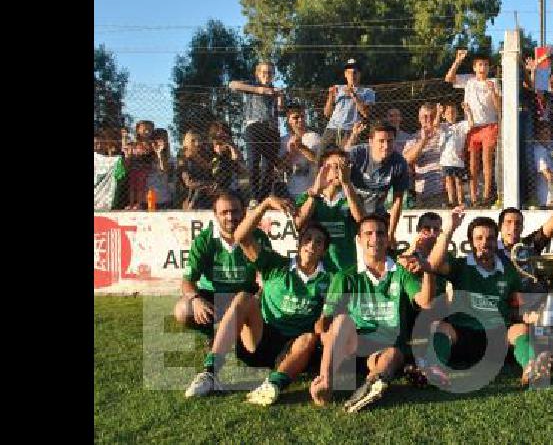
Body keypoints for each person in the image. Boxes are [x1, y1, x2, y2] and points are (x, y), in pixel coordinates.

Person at [184, 196, 331, 407]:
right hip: (259, 340)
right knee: (244, 298)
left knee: (308, 338)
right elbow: (241, 236)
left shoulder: (330, 279)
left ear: (324, 250)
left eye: (318, 242)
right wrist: (265, 205)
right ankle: (210, 372)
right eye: (307, 239)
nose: (311, 245)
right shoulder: (276, 264)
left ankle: (274, 385)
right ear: (298, 243)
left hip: (292, 349)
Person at [309, 214, 437, 412]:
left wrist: (428, 271)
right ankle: (325, 383)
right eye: (368, 233)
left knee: (393, 355)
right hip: (352, 348)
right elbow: (324, 320)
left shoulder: (401, 273)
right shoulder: (346, 276)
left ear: (388, 238)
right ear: (358, 240)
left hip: (383, 351)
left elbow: (426, 302)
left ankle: (371, 385)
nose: (375, 238)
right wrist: (327, 337)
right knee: (341, 320)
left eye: (380, 233)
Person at [424, 211, 553, 386]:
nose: (485, 243)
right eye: (479, 238)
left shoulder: (509, 271)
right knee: (439, 327)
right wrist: (449, 229)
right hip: (464, 334)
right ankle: (433, 369)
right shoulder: (461, 266)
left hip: (497, 337)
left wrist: (528, 316)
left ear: (496, 240)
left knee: (520, 330)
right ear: (470, 242)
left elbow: (513, 307)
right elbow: (432, 265)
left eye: (490, 238)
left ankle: (531, 368)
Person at [174, 191, 273, 340]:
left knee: (272, 303)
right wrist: (196, 300)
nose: (230, 217)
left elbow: (269, 275)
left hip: (245, 296)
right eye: (224, 212)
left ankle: (239, 333)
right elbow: (187, 281)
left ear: (244, 212)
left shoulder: (258, 237)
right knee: (183, 310)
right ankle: (215, 335)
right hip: (214, 298)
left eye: (235, 211)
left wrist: (259, 296)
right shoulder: (204, 240)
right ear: (215, 215)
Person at [445, 50, 501, 207]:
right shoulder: (469, 81)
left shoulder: (494, 82)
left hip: (489, 125)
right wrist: (457, 60)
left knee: (487, 161)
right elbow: (449, 78)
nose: (483, 67)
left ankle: (487, 195)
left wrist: (493, 92)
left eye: (485, 65)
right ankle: (474, 196)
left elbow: (499, 107)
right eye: (479, 65)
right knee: (472, 163)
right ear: (474, 67)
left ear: (489, 67)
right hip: (472, 126)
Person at [294, 149, 364, 273]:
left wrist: (347, 184)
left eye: (345, 166)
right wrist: (315, 192)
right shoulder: (308, 197)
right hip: (315, 270)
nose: (341, 171)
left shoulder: (353, 197)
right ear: (323, 169)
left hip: (345, 269)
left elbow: (361, 221)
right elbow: (298, 223)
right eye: (336, 167)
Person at [344, 121, 411, 240]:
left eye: (390, 141)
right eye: (381, 141)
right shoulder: (356, 155)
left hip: (376, 215)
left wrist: (391, 233)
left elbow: (398, 201)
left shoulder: (399, 163)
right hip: (348, 213)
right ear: (370, 141)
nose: (386, 146)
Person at [229, 62, 284, 204]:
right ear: (258, 73)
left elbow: (279, 112)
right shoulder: (252, 85)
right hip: (253, 126)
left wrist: (279, 98)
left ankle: (264, 198)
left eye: (270, 73)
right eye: (264, 72)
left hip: (270, 128)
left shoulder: (274, 89)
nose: (267, 76)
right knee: (253, 161)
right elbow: (232, 85)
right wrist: (259, 90)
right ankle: (254, 197)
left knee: (268, 166)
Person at [402, 103, 447, 208]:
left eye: (432, 116)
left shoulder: (446, 130)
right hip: (425, 192)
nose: (428, 120)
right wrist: (423, 141)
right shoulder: (413, 139)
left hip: (448, 190)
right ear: (419, 119)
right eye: (424, 117)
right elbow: (406, 160)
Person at [323, 59, 375, 148]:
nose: (352, 75)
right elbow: (327, 114)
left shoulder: (368, 91)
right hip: (331, 129)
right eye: (349, 72)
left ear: (360, 74)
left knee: (345, 158)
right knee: (321, 158)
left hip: (350, 131)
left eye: (355, 72)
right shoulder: (337, 89)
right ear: (345, 74)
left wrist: (353, 94)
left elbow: (366, 113)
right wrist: (330, 97)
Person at [277, 102, 323, 200]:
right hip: (292, 192)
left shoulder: (314, 137)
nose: (300, 120)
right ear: (288, 120)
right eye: (296, 117)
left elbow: (319, 161)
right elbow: (279, 168)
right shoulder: (283, 140)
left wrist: (301, 147)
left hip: (313, 191)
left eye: (302, 116)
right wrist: (290, 152)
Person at [436, 102, 472, 208]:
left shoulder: (461, 125)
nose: (451, 115)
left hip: (457, 160)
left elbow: (471, 123)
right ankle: (452, 201)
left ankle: (460, 201)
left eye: (453, 112)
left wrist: (468, 111)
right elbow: (435, 125)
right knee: (448, 180)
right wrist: (438, 112)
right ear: (444, 115)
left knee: (458, 181)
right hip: (446, 160)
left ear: (457, 113)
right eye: (448, 113)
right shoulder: (443, 127)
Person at [146, 128, 175, 209]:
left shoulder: (171, 159)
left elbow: (165, 170)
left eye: (164, 139)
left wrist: (159, 153)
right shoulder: (146, 158)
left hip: (164, 199)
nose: (161, 143)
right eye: (158, 139)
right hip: (148, 198)